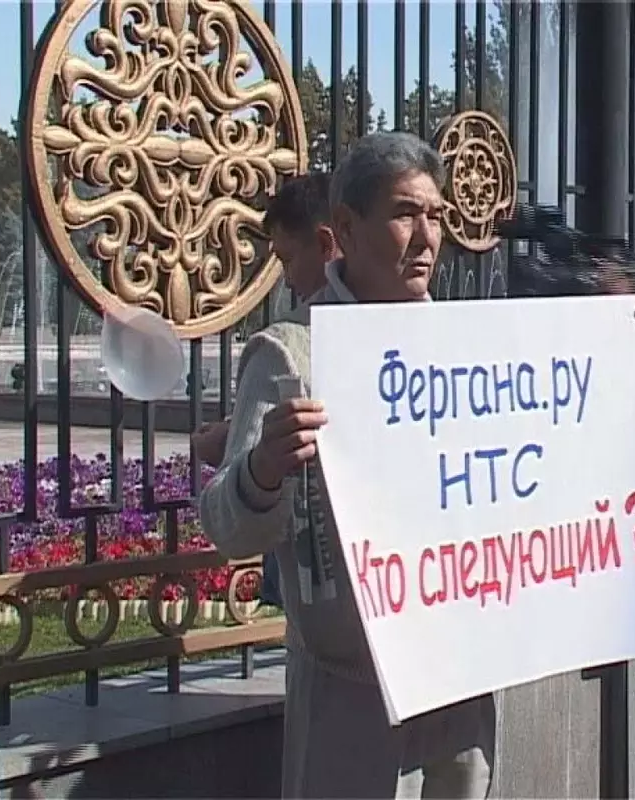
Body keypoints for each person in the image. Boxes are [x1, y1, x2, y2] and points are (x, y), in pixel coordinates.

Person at [198, 131, 495, 799]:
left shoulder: (470, 352)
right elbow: (226, 526)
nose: (426, 237)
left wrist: (624, 354)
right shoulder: (291, 354)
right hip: (349, 695)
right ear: (348, 229)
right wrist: (262, 471)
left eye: (436, 215)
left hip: (458, 683)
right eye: (404, 213)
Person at [192, 173, 339, 608]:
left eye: (288, 259)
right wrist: (254, 452)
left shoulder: (285, 347)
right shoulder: (288, 346)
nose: (287, 279)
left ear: (327, 244)